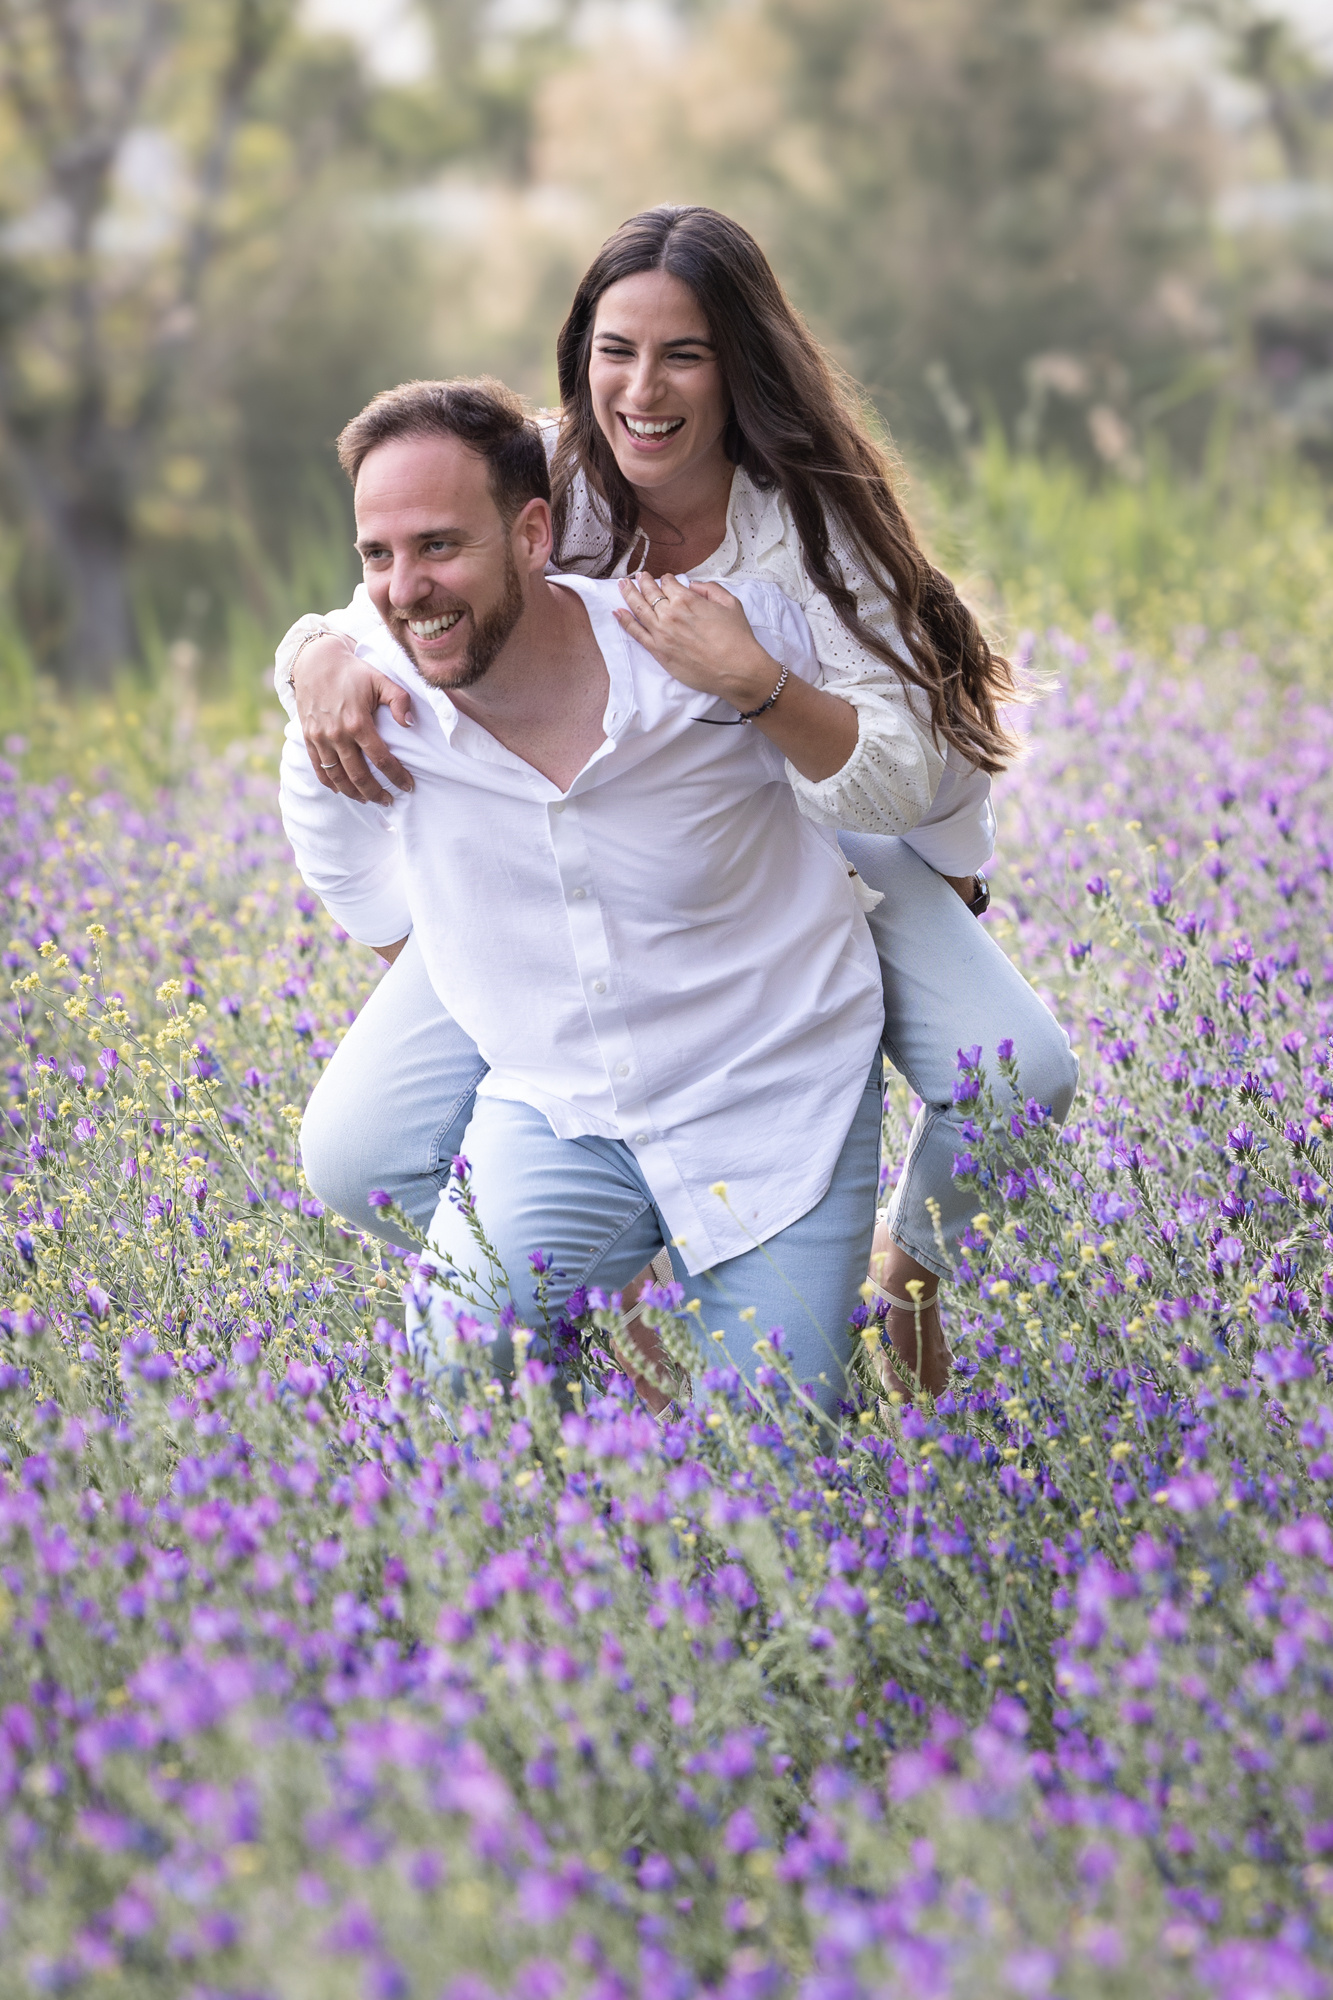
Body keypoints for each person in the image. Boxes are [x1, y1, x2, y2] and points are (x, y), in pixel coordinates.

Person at [274, 206, 1078, 1399]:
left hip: (821, 819)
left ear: (738, 366)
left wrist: (765, 691)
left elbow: (918, 764)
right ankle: (617, 1265)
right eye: (614, 351)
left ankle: (900, 1270)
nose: (640, 390)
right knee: (352, 1152)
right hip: (564, 843)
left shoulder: (808, 525)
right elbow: (388, 594)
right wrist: (310, 659)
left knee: (1019, 1074)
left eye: (682, 354)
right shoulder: (550, 474)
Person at [280, 376, 901, 1417]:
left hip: (775, 1096)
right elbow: (356, 878)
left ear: (533, 534)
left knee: (772, 1480)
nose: (404, 587)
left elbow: (877, 777)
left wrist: (954, 862)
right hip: (562, 1109)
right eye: (376, 555)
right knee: (456, 1369)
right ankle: (576, 1496)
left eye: (438, 545)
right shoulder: (364, 717)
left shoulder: (706, 655)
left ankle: (838, 1310)